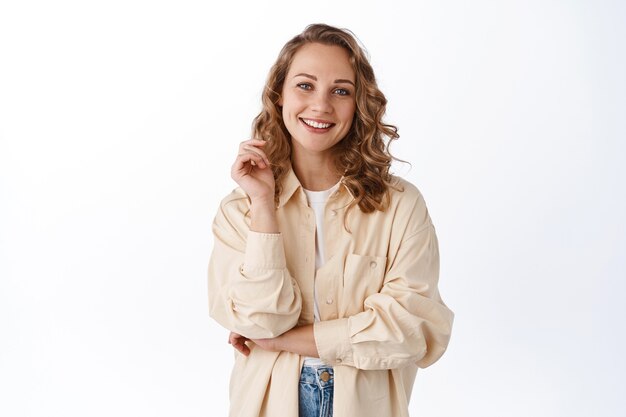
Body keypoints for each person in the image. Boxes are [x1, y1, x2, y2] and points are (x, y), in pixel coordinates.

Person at [208, 23, 454, 417]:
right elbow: (263, 319)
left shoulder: (401, 206)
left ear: (360, 105)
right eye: (305, 85)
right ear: (279, 95)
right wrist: (264, 206)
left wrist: (285, 341)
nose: (321, 105)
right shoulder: (240, 211)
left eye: (341, 91)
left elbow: (414, 331)